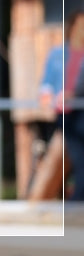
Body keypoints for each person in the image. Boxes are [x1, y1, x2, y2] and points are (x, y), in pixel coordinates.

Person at [39, 10, 84, 200]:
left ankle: (76, 202)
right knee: (73, 161)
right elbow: (46, 83)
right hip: (64, 114)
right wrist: (47, 95)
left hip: (81, 110)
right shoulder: (58, 54)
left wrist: (74, 93)